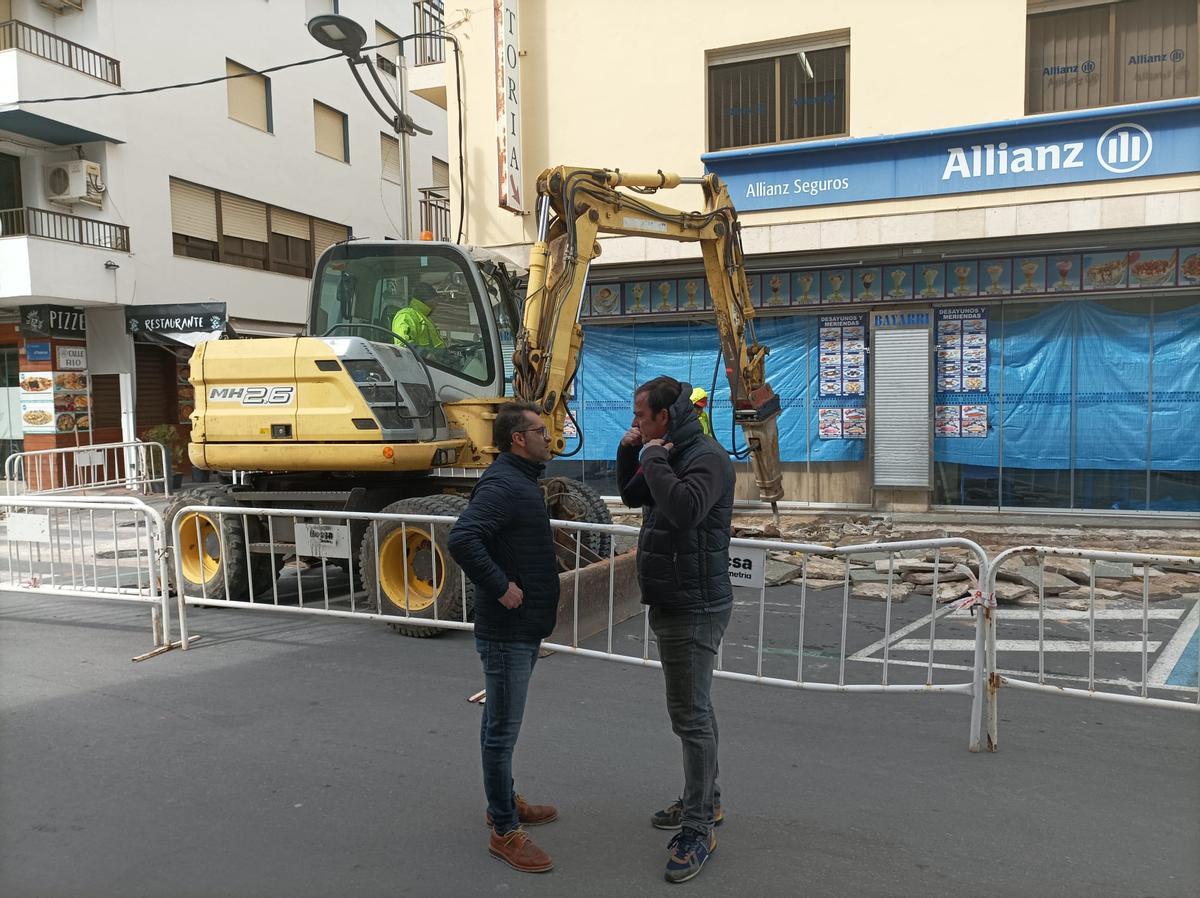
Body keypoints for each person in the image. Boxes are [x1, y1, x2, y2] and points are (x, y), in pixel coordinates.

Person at [617, 375, 735, 884]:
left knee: (689, 716)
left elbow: (685, 511)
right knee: (695, 709)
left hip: (695, 603)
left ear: (664, 416)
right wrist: (634, 454)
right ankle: (703, 798)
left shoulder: (705, 457)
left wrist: (654, 458)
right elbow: (631, 496)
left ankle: (698, 825)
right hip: (674, 596)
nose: (635, 424)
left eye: (641, 417)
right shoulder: (662, 450)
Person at [448, 401, 561, 874]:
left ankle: (504, 802)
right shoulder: (503, 484)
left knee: (498, 722)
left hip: (524, 627)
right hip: (507, 631)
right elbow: (462, 539)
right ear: (518, 438)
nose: (548, 437)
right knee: (501, 730)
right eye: (540, 430)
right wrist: (502, 587)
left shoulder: (520, 482)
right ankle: (503, 828)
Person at [391, 282, 446, 349]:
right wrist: (426, 355)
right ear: (430, 300)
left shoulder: (425, 318)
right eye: (436, 301)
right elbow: (402, 344)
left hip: (430, 359)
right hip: (419, 359)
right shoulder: (406, 315)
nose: (437, 305)